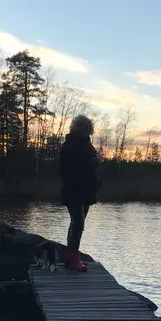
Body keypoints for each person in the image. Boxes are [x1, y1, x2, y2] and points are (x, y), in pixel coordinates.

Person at [60, 114, 99, 271]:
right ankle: (73, 258)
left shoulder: (88, 146)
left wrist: (97, 182)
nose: (84, 129)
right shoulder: (69, 146)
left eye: (87, 127)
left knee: (77, 224)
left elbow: (92, 168)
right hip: (73, 191)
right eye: (81, 126)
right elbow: (66, 170)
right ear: (75, 128)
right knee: (78, 224)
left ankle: (72, 258)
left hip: (87, 192)